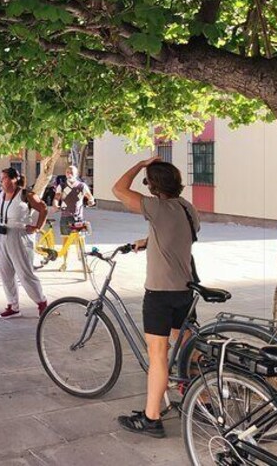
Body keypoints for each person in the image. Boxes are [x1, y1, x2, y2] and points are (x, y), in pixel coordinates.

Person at [112, 157, 200, 438]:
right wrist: (149, 241)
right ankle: (203, 396)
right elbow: (179, 235)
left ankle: (152, 419)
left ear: (153, 186)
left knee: (158, 355)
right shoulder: (187, 208)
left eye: (147, 181)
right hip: (185, 290)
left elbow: (118, 189)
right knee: (186, 343)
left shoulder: (155, 206)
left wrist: (139, 165)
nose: (145, 185)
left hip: (160, 293)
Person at [0, 167, 48, 319]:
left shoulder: (26, 195)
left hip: (19, 236)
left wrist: (38, 227)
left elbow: (43, 209)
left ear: (14, 179)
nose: (1, 182)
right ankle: (13, 305)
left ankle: (42, 302)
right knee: (5, 272)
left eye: (4, 178)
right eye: (1, 179)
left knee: (24, 273)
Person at [53, 165, 95, 236]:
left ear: (76, 174)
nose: (69, 174)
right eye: (67, 172)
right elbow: (56, 197)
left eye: (71, 172)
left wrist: (91, 201)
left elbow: (90, 197)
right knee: (65, 239)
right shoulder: (62, 186)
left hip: (78, 217)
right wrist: (55, 205)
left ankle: (81, 247)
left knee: (80, 238)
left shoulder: (82, 186)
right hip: (65, 217)